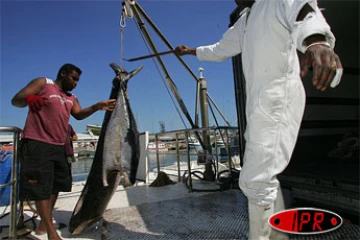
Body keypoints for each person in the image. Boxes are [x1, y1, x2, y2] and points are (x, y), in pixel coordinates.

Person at [175, 0, 342, 239]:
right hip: (258, 106)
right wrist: (191, 51)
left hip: (277, 99)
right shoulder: (245, 21)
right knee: (264, 177)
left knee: (256, 179)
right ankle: (277, 234)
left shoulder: (275, 1)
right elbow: (220, 49)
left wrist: (316, 42)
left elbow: (303, 12)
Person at [11, 63, 116, 240]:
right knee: (40, 188)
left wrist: (97, 106)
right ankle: (52, 234)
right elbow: (16, 100)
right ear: (63, 73)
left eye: (77, 80)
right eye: (73, 78)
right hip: (38, 144)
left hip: (59, 146)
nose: (75, 83)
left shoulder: (71, 98)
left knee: (55, 186)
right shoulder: (44, 83)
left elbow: (79, 114)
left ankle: (45, 224)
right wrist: (29, 99)